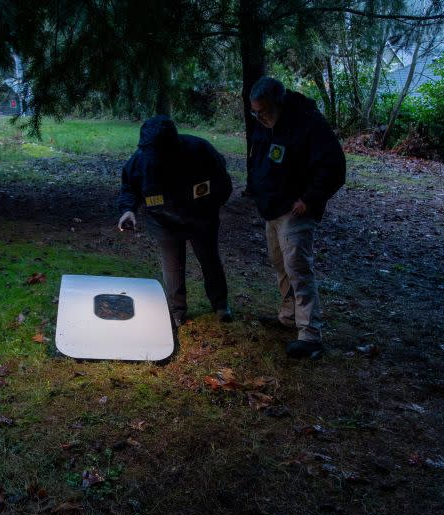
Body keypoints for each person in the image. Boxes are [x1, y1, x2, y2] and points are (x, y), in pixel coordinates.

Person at [245, 76, 346, 358]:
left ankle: (310, 334)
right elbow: (258, 157)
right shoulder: (264, 124)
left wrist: (310, 199)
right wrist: (256, 189)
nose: (259, 117)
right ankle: (289, 316)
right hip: (272, 208)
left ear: (278, 103)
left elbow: (334, 166)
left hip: (294, 210)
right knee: (280, 264)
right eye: (255, 112)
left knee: (298, 268)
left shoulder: (309, 124)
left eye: (263, 111)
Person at [117, 115, 233, 328]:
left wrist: (211, 205)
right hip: (163, 220)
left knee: (209, 260)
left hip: (201, 219)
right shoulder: (140, 160)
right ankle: (177, 311)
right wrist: (128, 210)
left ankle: (220, 305)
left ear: (173, 145)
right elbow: (129, 188)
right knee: (172, 265)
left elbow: (222, 183)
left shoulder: (200, 151)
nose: (156, 158)